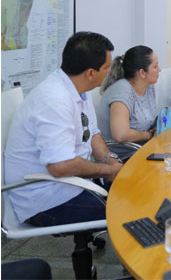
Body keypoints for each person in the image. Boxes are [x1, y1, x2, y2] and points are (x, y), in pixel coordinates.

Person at [4, 32, 122, 226]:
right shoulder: (54, 100)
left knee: (136, 187)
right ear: (91, 73)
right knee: (128, 210)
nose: (109, 71)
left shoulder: (79, 89)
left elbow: (91, 133)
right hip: (45, 199)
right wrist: (106, 171)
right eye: (106, 67)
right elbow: (61, 166)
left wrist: (110, 161)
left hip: (73, 184)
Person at [97, 45, 159, 160]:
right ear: (142, 73)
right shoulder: (121, 91)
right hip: (122, 159)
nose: (159, 69)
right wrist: (148, 135)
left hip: (143, 151)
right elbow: (120, 135)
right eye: (155, 66)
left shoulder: (149, 87)